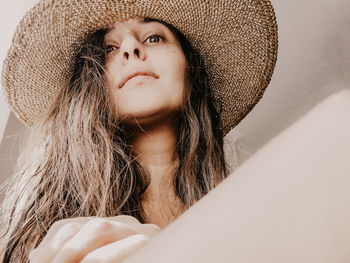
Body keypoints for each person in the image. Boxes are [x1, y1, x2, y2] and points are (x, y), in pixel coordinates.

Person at [0, 0, 278, 262]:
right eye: (108, 48)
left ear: (190, 68)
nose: (131, 48)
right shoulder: (42, 223)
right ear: (88, 87)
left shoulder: (258, 205)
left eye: (153, 38)